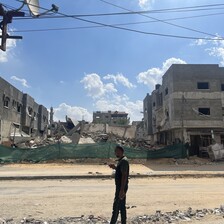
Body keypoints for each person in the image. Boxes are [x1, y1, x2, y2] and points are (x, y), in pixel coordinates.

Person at [108, 145, 129, 224]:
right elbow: (121, 171)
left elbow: (124, 175)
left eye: (117, 151)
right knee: (122, 206)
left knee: (116, 206)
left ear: (121, 151)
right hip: (121, 187)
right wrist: (115, 167)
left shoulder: (124, 161)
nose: (115, 153)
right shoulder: (121, 161)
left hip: (121, 187)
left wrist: (121, 190)